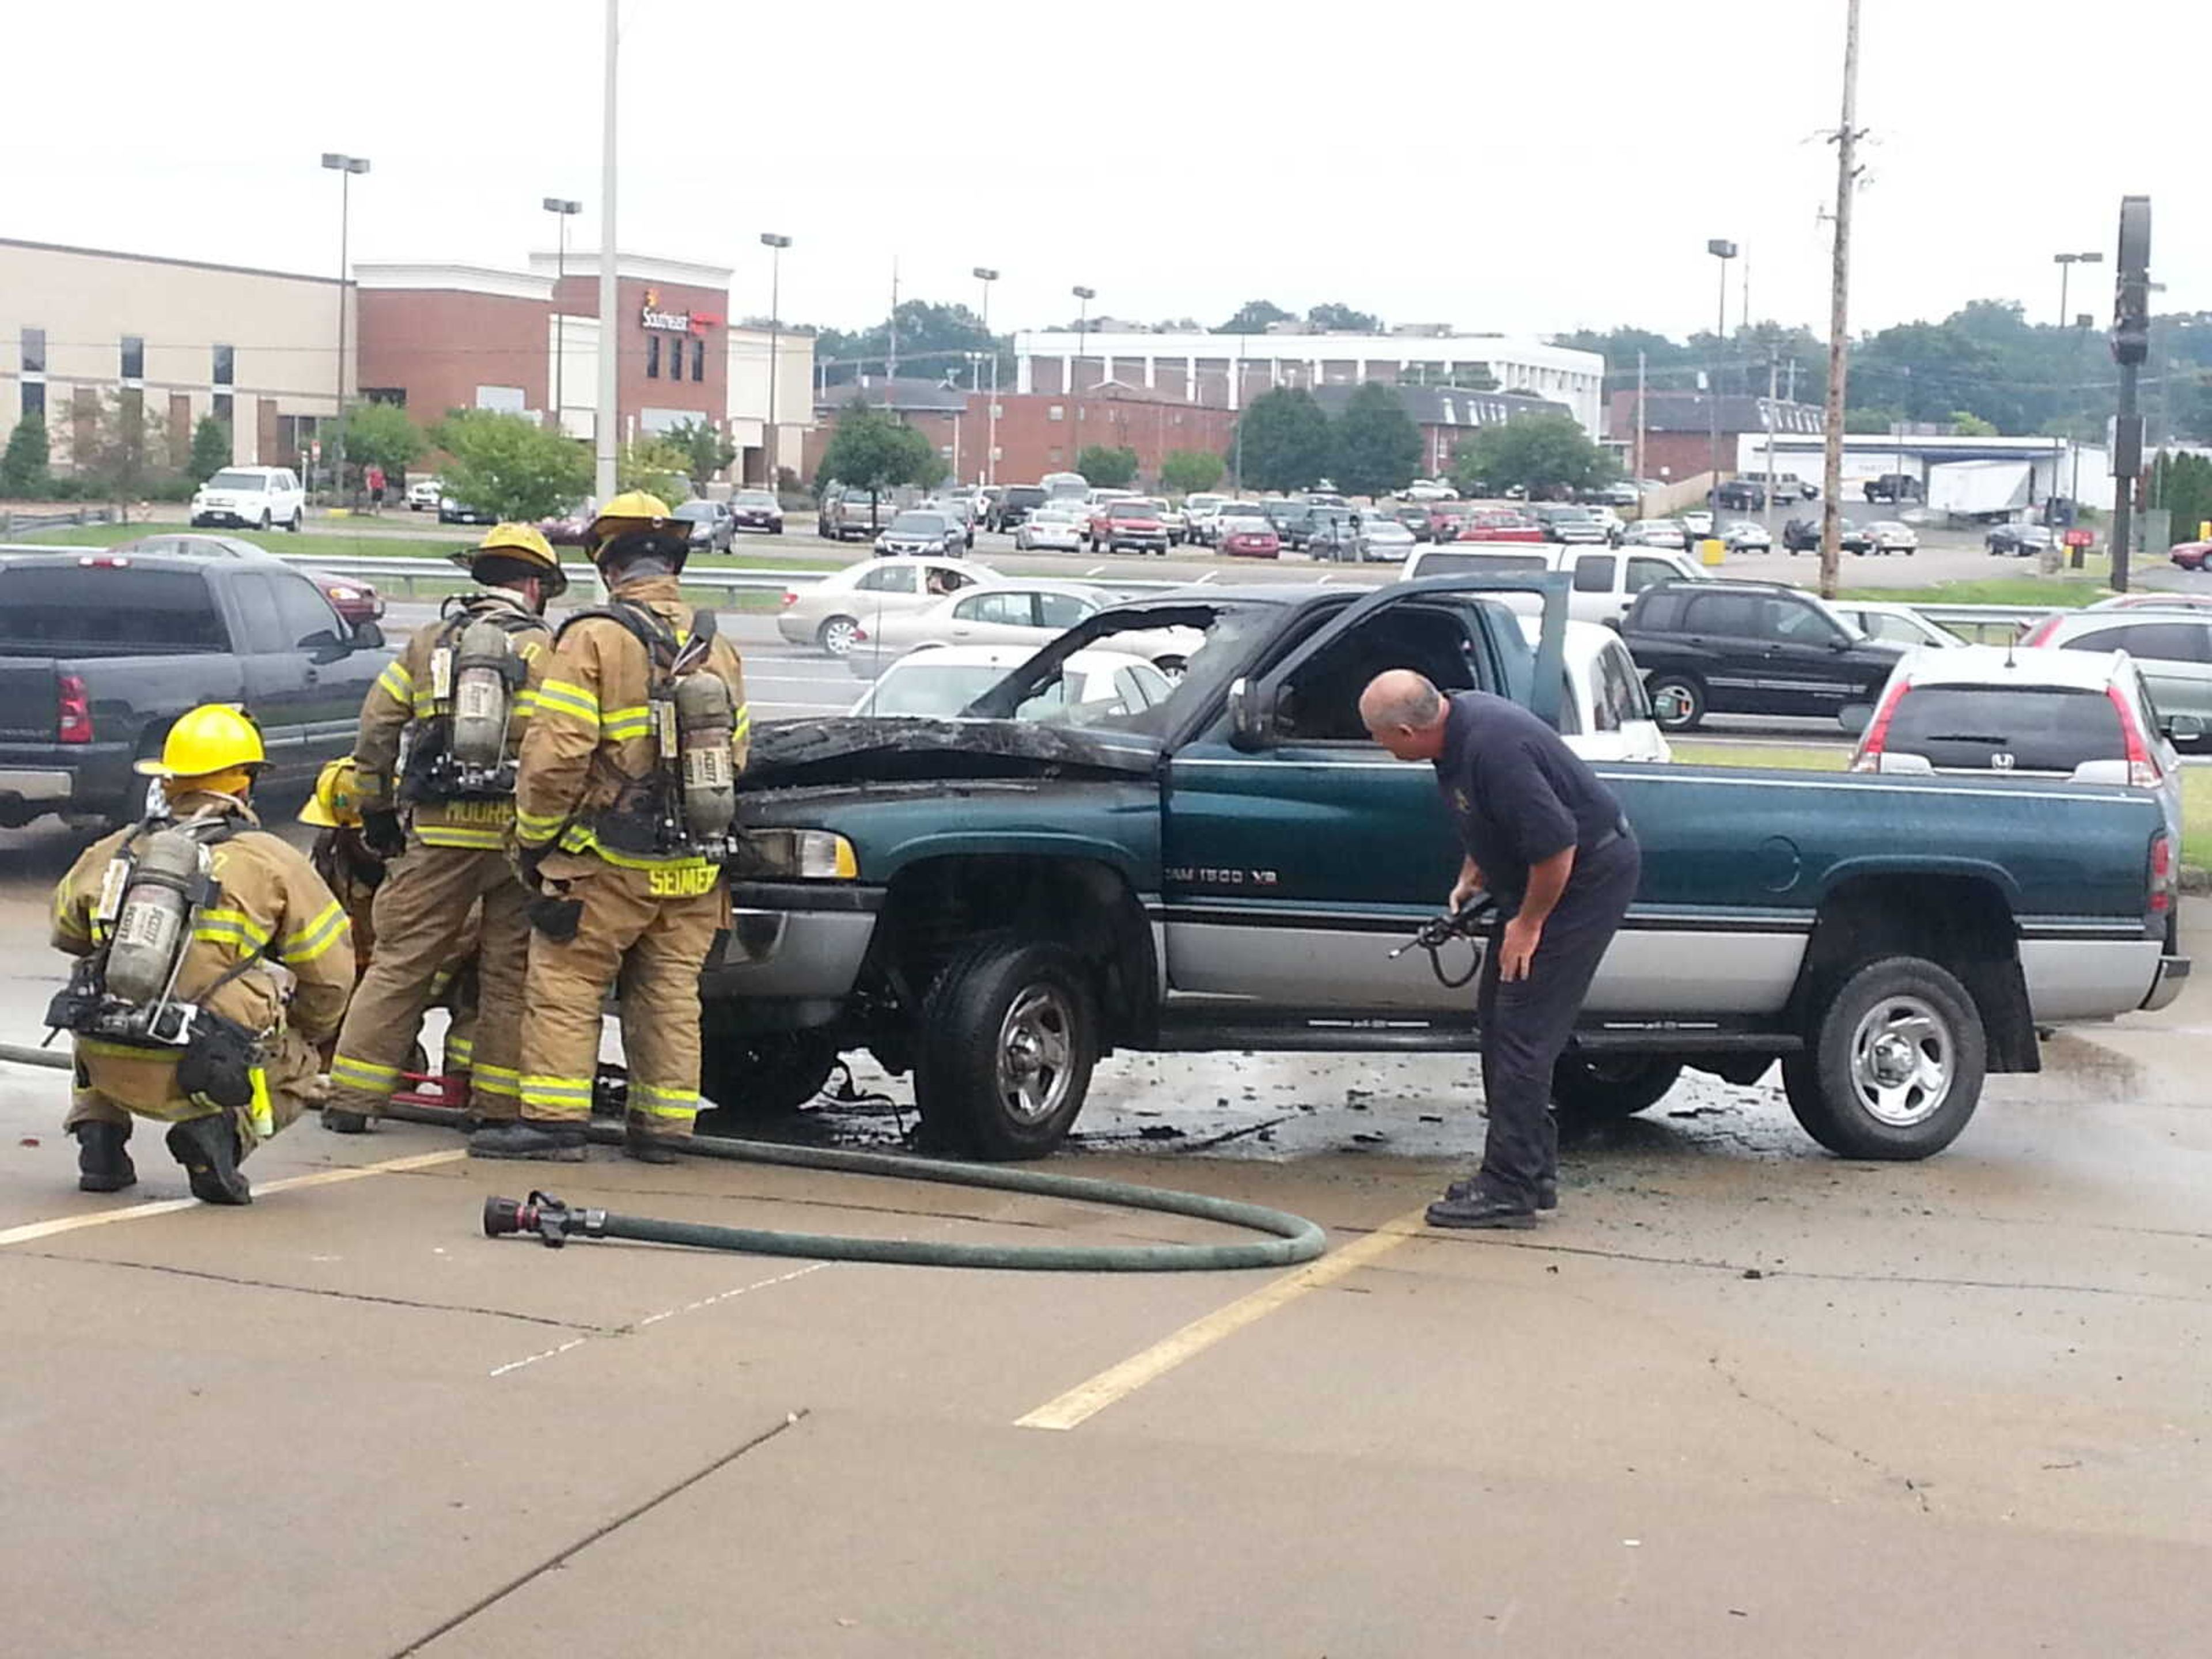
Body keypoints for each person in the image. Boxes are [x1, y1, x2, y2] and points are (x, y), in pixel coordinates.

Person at [481, 490, 750, 1164]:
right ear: (674, 567)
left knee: (565, 982)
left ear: (608, 568)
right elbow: (738, 754)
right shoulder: (720, 647)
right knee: (668, 994)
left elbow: (555, 756)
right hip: (694, 862)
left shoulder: (593, 637)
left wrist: (536, 838)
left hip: (605, 860)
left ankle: (552, 1123)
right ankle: (663, 1132)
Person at [1359, 669, 1640, 1229]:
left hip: (1581, 881)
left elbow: (1557, 844)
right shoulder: (1452, 729)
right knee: (1498, 1018)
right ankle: (1529, 1171)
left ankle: (1509, 1189)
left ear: (1409, 733)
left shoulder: (1494, 748)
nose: (1378, 746)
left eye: (1379, 737)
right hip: (1541, 878)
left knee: (1522, 1031)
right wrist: (1477, 875)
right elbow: (1494, 819)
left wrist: (1530, 924)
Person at [48, 704, 354, 1203]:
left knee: (95, 988)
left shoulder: (115, 848)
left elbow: (66, 931)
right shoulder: (272, 860)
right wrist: (306, 1032)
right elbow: (330, 974)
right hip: (203, 1066)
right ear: (244, 784)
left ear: (168, 782)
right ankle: (222, 1135)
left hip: (107, 1056)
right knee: (299, 1061)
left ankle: (98, 1138)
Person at [321, 523, 563, 1136]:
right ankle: (497, 1110)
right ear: (535, 586)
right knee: (510, 974)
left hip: (437, 830)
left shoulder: (428, 644)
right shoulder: (550, 650)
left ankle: (352, 1098)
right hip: (517, 836)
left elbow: (376, 730)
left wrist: (375, 809)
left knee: (399, 962)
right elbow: (566, 748)